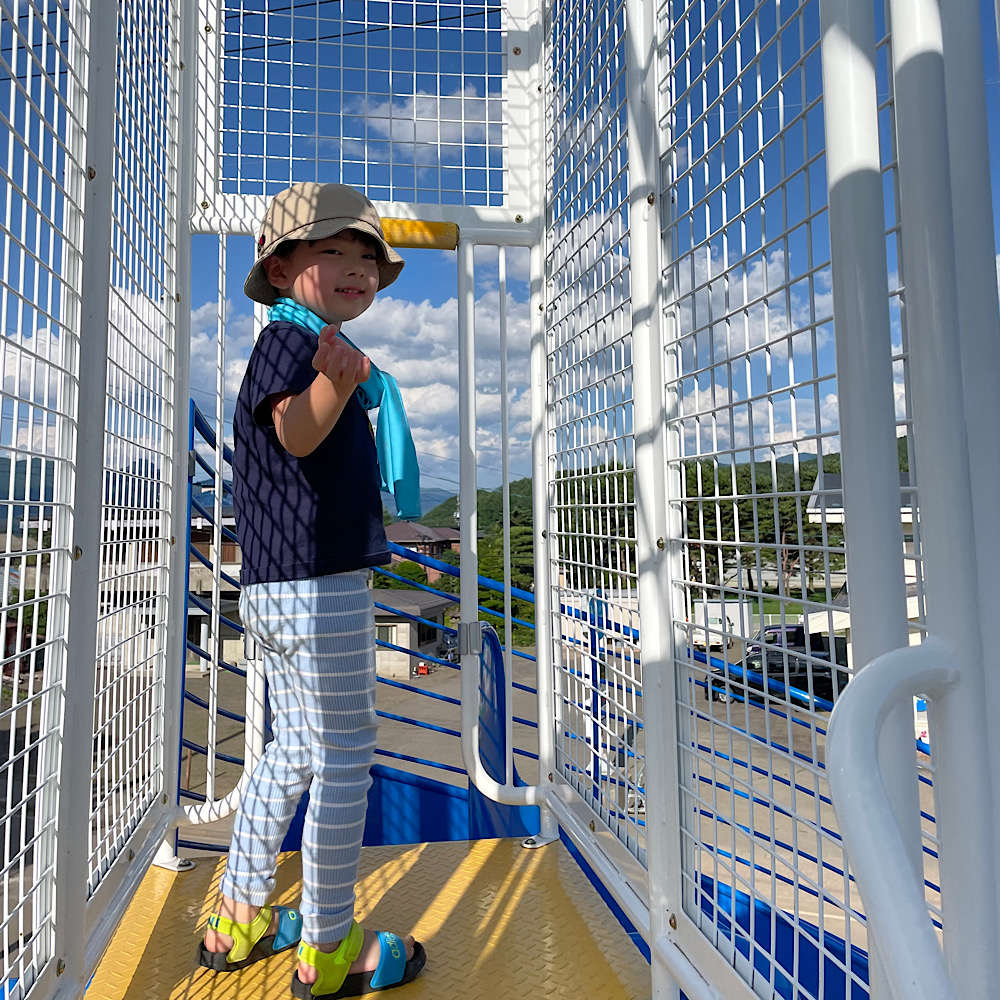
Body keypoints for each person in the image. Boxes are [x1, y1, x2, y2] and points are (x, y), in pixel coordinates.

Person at [196, 182, 426, 999]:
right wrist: (338, 382)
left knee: (290, 749)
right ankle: (331, 944)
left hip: (275, 589)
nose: (358, 269)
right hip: (318, 589)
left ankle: (241, 911)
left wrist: (344, 377)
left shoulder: (298, 342)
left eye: (369, 258)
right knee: (344, 757)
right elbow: (296, 430)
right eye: (337, 252)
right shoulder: (294, 345)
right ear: (283, 263)